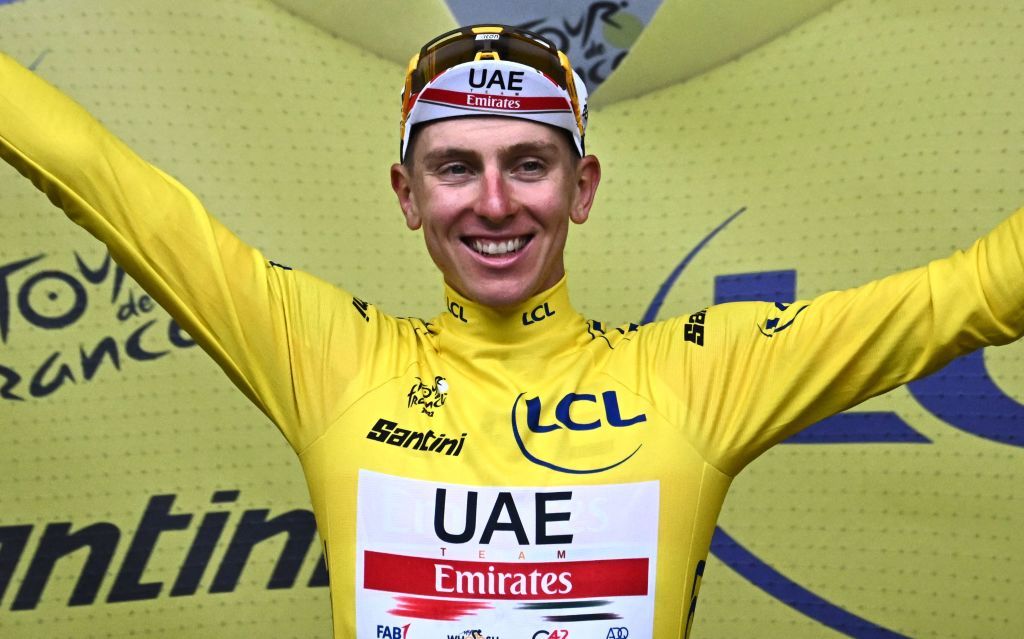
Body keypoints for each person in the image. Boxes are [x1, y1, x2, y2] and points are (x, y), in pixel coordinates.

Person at [1, 23, 1022, 639]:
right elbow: (99, 177)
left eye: (527, 163)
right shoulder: (330, 359)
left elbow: (973, 292)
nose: (494, 202)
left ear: (581, 187)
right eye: (456, 166)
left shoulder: (697, 377)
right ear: (407, 194)